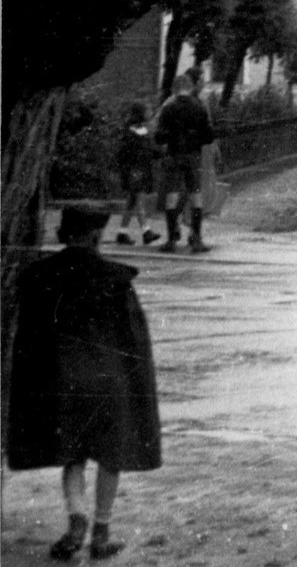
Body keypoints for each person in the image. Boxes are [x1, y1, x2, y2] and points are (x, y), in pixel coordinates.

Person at [7, 207, 163, 561]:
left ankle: (76, 519)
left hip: (63, 379)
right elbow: (133, 340)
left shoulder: (41, 275)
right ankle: (101, 531)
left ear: (65, 234)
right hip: (108, 382)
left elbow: (30, 337)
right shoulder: (115, 279)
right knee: (111, 457)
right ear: (95, 236)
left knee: (73, 456)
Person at [152, 73, 215, 253]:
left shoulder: (168, 109)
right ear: (190, 87)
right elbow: (209, 136)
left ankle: (171, 240)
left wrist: (171, 137)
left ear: (174, 88)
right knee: (196, 195)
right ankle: (196, 239)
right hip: (193, 156)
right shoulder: (199, 107)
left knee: (172, 196)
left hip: (173, 155)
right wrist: (196, 140)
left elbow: (159, 136)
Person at [112, 103, 159, 247]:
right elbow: (131, 152)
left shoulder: (139, 130)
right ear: (141, 113)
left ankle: (122, 232)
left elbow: (148, 150)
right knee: (138, 198)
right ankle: (146, 231)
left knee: (132, 201)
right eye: (147, 110)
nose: (150, 112)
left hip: (139, 169)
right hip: (135, 169)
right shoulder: (132, 131)